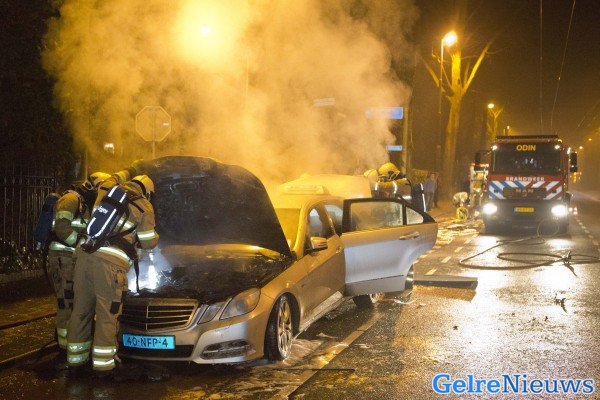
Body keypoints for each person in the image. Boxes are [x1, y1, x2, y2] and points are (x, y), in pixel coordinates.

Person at [67, 170, 158, 377]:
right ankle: (104, 366)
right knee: (107, 315)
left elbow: (108, 181)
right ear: (146, 191)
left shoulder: (108, 190)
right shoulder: (144, 205)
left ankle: (75, 361)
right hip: (110, 265)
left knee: (80, 310)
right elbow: (148, 242)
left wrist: (121, 173)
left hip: (83, 256)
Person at [48, 172, 110, 351]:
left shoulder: (85, 204)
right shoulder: (70, 199)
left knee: (74, 301)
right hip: (63, 258)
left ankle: (70, 342)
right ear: (92, 186)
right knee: (66, 302)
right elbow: (62, 228)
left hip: (72, 259)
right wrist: (80, 245)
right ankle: (64, 346)